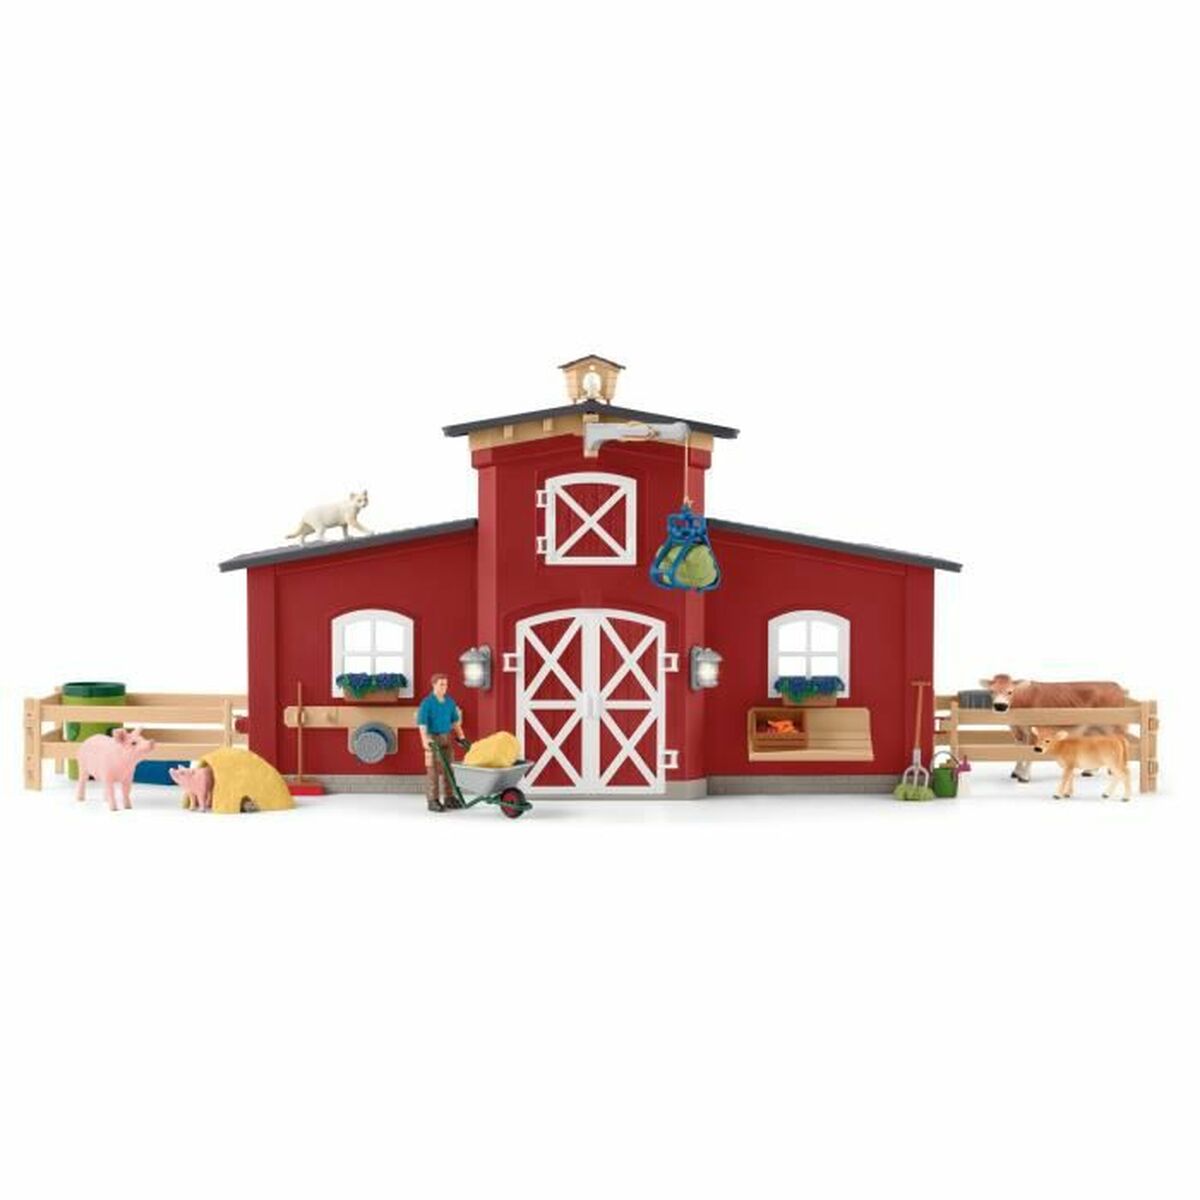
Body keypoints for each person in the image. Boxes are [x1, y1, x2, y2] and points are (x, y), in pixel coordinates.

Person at [416, 672, 467, 812]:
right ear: (434, 685)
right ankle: (433, 800)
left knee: (449, 769)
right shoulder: (427, 703)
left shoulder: (450, 702)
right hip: (432, 738)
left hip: (446, 737)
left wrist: (461, 736)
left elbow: (455, 721)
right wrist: (424, 740)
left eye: (446, 684)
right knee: (432, 769)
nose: (444, 687)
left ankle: (449, 797)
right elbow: (422, 723)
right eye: (441, 684)